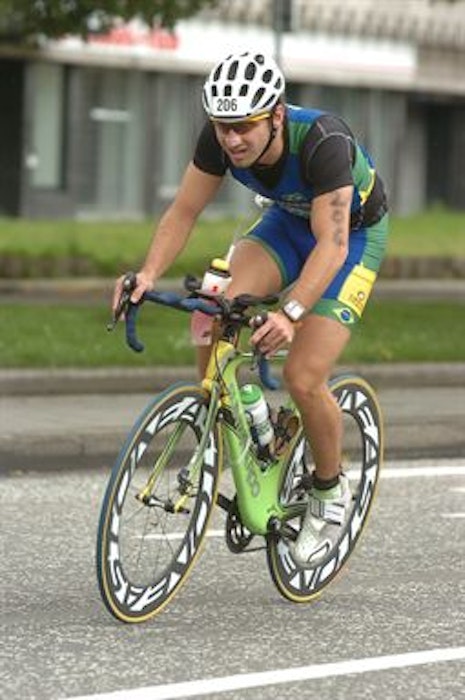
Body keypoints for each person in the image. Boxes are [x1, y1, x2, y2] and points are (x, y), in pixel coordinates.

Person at [112, 51, 388, 567]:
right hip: (286, 225)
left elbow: (331, 246)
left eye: (244, 127)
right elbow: (183, 211)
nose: (232, 139)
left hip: (350, 240)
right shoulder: (217, 140)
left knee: (304, 377)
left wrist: (291, 313)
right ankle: (235, 413)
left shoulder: (324, 141)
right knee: (213, 306)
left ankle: (329, 491)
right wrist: (146, 275)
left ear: (276, 115)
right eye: (223, 128)